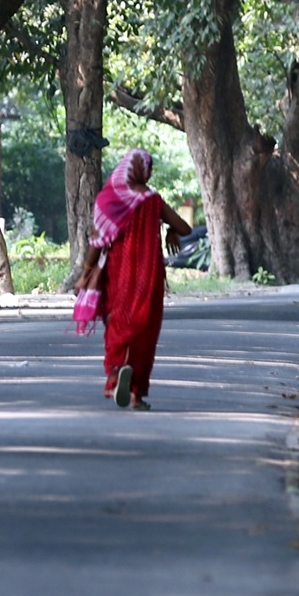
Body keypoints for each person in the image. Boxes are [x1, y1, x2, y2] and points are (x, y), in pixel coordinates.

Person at [86, 149, 190, 410]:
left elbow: (97, 241)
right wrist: (170, 230)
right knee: (145, 328)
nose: (150, 173)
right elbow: (185, 227)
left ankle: (116, 374)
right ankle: (136, 395)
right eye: (149, 168)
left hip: (117, 273)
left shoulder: (109, 198)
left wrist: (86, 271)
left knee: (117, 320)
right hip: (148, 274)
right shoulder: (152, 200)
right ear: (142, 170)